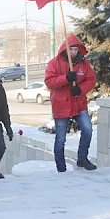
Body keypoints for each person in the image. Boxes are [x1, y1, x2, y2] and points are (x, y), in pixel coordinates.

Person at [45, 33, 97, 172]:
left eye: (75, 49)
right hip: (61, 105)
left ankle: (82, 158)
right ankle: (61, 167)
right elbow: (49, 82)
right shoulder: (54, 63)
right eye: (71, 49)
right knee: (61, 137)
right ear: (65, 49)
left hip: (78, 103)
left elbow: (91, 80)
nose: (73, 52)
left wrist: (80, 89)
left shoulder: (83, 64)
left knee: (88, 129)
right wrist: (66, 78)